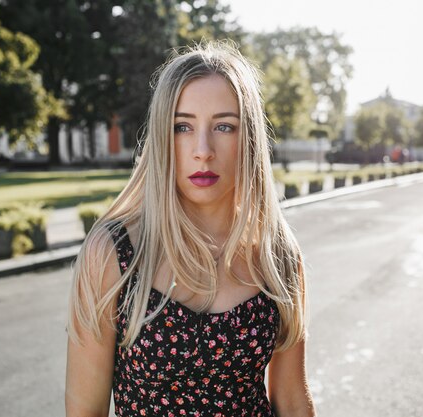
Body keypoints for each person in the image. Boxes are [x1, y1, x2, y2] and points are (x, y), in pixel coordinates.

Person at [65, 41, 315, 417]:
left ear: (248, 139)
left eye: (224, 126)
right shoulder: (114, 254)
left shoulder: (276, 255)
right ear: (162, 137)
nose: (203, 149)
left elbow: (292, 400)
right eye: (183, 126)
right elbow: (86, 411)